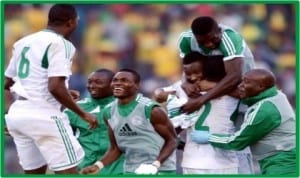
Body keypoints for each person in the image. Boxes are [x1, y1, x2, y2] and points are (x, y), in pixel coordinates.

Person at [4, 4, 98, 174]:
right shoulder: (62, 44)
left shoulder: (22, 42)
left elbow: (7, 82)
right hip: (45, 116)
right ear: (71, 22)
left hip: (18, 114)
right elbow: (55, 86)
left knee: (34, 173)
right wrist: (82, 113)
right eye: (77, 21)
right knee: (69, 172)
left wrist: (64, 93)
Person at [178, 16, 256, 174]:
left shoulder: (230, 38)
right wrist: (186, 83)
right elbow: (187, 67)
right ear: (195, 38)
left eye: (213, 39)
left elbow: (234, 77)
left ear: (218, 30)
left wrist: (201, 99)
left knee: (236, 137)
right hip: (209, 90)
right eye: (203, 42)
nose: (209, 44)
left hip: (241, 88)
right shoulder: (185, 40)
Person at [190, 69, 296, 175]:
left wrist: (209, 137)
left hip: (283, 162)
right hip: (281, 158)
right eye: (242, 81)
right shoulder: (275, 95)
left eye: (247, 82)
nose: (240, 86)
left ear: (261, 87)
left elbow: (237, 142)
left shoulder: (264, 110)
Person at [154, 52, 239, 174]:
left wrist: (180, 90)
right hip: (225, 162)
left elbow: (159, 94)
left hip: (193, 161)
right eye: (188, 74)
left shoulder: (184, 90)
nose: (192, 78)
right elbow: (243, 92)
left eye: (196, 73)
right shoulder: (233, 92)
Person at [81, 69, 177, 175]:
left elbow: (172, 140)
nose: (118, 83)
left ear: (137, 86)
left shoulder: (150, 109)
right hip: (130, 170)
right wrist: (98, 166)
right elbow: (115, 148)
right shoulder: (108, 112)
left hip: (159, 170)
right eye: (115, 80)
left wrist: (155, 165)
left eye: (124, 80)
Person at [64, 69, 124, 174]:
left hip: (116, 169)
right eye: (89, 82)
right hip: (83, 168)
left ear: (113, 85)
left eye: (98, 82)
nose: (91, 86)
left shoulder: (126, 108)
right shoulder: (75, 109)